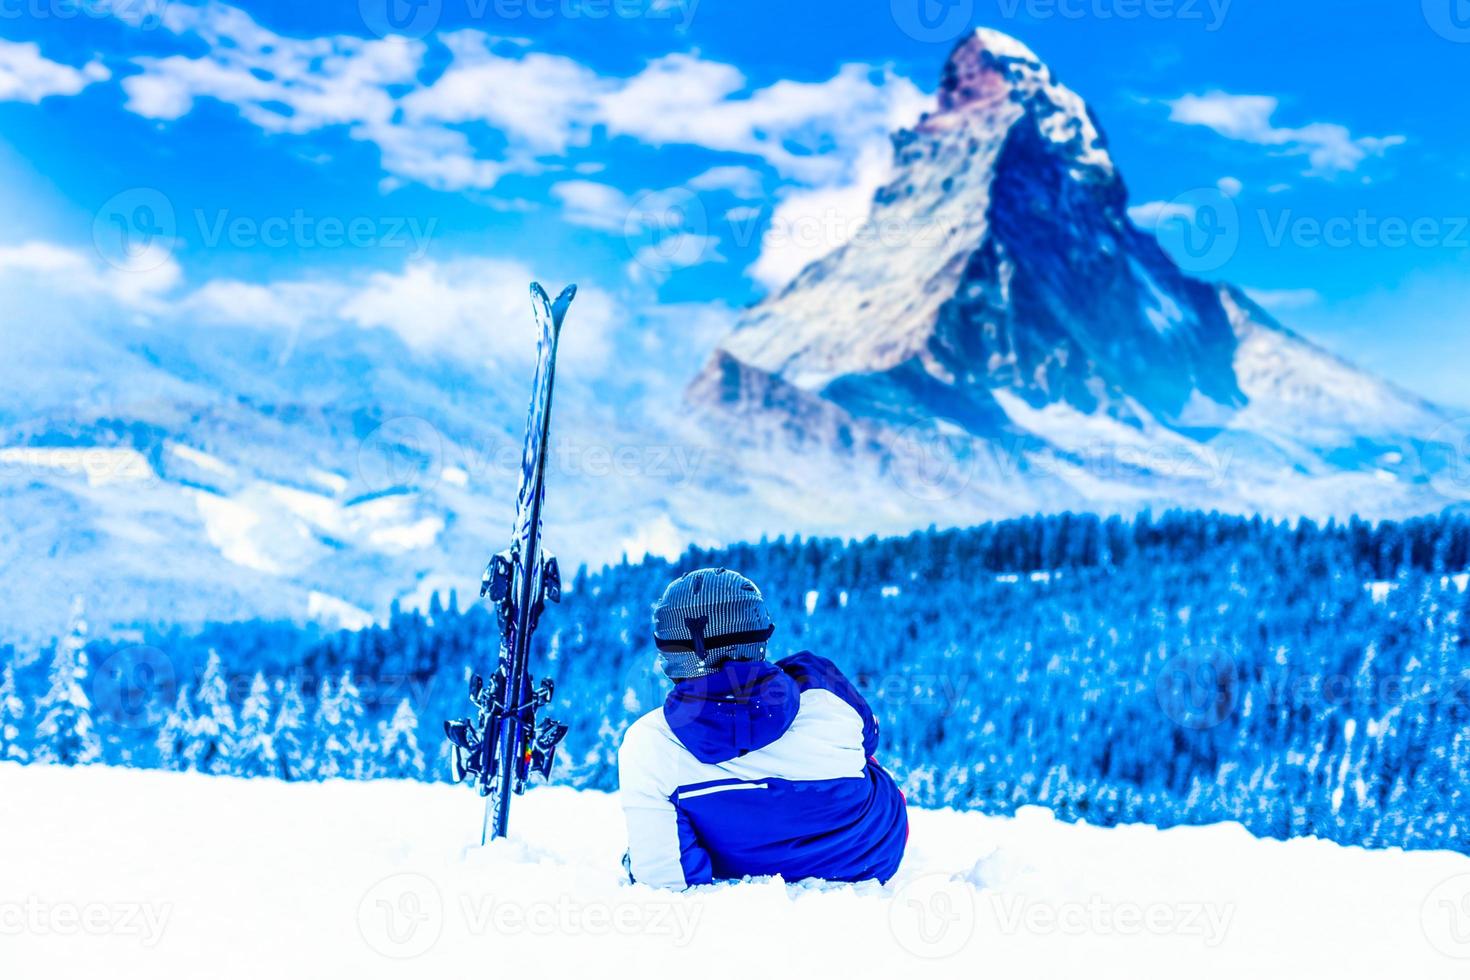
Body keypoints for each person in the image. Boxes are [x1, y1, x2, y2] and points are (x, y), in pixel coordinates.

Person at [618, 567, 908, 889]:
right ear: (758, 635)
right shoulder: (822, 686)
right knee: (862, 758)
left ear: (670, 653)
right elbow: (872, 740)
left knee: (672, 812)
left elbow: (667, 882)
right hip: (873, 855)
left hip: (749, 864)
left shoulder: (652, 743)